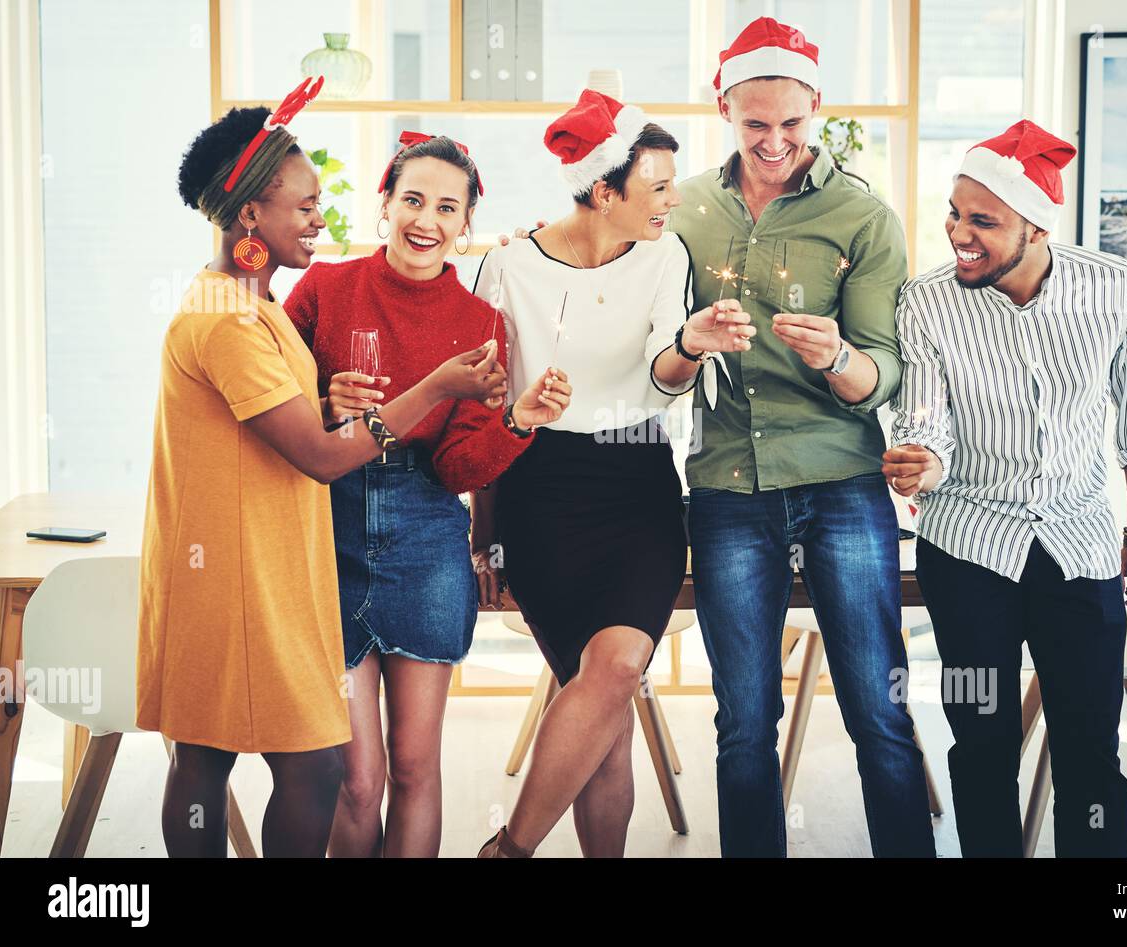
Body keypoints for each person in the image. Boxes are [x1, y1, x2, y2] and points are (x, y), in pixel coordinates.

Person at [137, 79, 508, 857]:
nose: (319, 218)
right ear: (251, 216)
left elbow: (299, 414)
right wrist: (433, 385)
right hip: (243, 571)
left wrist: (331, 395)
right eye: (304, 206)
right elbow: (318, 453)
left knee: (222, 758)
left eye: (450, 207)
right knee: (309, 767)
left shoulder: (257, 302)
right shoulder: (233, 318)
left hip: (270, 566)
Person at [651, 18, 936, 858]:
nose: (774, 142)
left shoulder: (865, 217)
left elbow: (885, 371)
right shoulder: (685, 211)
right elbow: (659, 365)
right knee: (742, 717)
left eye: (792, 123)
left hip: (843, 478)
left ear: (817, 106)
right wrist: (692, 338)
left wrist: (839, 355)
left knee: (878, 707)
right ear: (724, 110)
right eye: (753, 124)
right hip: (727, 486)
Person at [472, 90, 753, 858]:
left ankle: (509, 848)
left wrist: (692, 343)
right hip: (539, 487)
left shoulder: (667, 255)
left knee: (619, 665)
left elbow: (664, 378)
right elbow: (485, 405)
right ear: (605, 192)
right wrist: (484, 533)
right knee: (607, 718)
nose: (674, 199)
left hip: (638, 485)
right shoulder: (508, 266)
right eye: (658, 186)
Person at [883, 119, 1127, 857]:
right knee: (980, 744)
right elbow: (925, 420)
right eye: (954, 212)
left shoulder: (1115, 290)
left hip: (1079, 548)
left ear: (1036, 227)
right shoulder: (926, 302)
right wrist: (925, 462)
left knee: (1090, 753)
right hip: (969, 550)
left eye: (983, 220)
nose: (958, 233)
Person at [283, 132, 569, 858]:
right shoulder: (324, 290)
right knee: (356, 774)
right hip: (330, 529)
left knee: (413, 765)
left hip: (426, 540)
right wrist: (321, 403)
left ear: (466, 222)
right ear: (385, 203)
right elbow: (267, 406)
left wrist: (517, 420)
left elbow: (457, 468)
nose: (427, 219)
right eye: (413, 199)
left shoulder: (480, 326)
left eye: (448, 206)